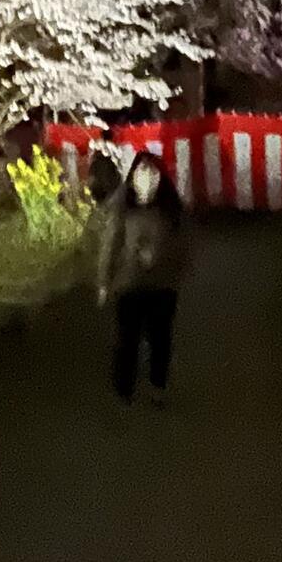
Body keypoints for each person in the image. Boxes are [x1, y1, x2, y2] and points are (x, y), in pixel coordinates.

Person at [97, 148, 189, 404]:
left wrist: (173, 269)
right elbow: (111, 245)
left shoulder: (171, 209)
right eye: (141, 172)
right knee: (128, 339)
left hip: (162, 286)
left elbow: (184, 244)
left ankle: (158, 385)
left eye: (152, 172)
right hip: (129, 284)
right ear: (133, 176)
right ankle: (124, 387)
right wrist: (104, 281)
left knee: (160, 340)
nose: (147, 178)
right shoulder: (123, 208)